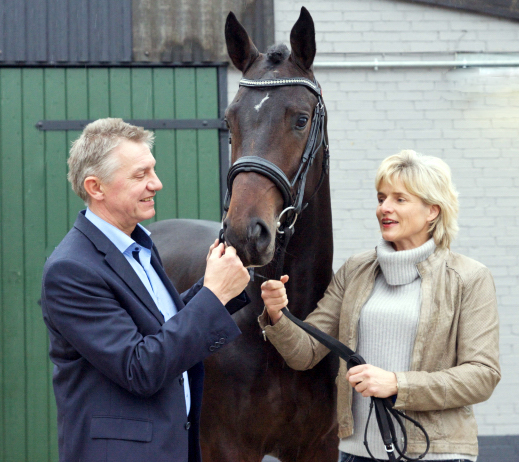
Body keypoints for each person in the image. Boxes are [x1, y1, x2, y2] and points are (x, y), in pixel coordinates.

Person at [259, 150, 500, 462]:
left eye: (400, 199)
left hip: (438, 454)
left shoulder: (469, 277)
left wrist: (398, 384)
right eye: (381, 198)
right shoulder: (356, 270)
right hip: (356, 453)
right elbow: (305, 353)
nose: (384, 208)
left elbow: (482, 376)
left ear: (432, 211)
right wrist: (278, 315)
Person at [41, 118, 251, 462]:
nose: (157, 184)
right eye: (140, 175)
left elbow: (161, 327)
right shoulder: (71, 270)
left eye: (152, 170)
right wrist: (214, 295)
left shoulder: (139, 246)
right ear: (96, 187)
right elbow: (141, 367)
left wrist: (219, 288)